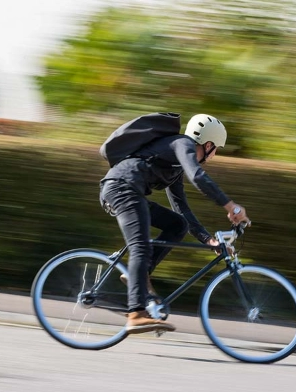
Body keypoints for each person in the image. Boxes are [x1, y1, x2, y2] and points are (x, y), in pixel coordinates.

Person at [99, 114, 250, 334]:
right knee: (141, 246)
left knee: (178, 224)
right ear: (207, 145)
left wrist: (208, 240)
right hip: (121, 189)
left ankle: (140, 274)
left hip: (130, 191)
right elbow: (198, 176)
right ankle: (136, 314)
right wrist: (231, 207)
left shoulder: (175, 163)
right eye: (216, 148)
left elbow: (182, 208)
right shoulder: (183, 144)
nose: (215, 154)